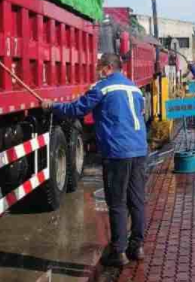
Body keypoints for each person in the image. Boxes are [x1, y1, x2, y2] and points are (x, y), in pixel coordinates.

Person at [41, 53, 148, 267]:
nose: (97, 70)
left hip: (117, 152)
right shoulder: (134, 88)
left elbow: (76, 109)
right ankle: (137, 246)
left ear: (108, 68)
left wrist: (52, 106)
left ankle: (118, 252)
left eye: (100, 67)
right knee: (136, 200)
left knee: (117, 202)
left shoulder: (103, 87)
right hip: (139, 149)